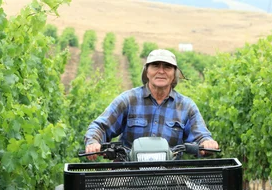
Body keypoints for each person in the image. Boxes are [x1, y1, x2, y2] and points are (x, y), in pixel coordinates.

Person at [84, 49, 219, 159]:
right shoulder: (128, 99)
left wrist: (207, 143)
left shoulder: (186, 106)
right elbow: (101, 126)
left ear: (174, 74)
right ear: (147, 72)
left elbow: (201, 135)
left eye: (167, 67)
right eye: (155, 66)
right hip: (127, 172)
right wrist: (93, 142)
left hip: (169, 174)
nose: (161, 71)